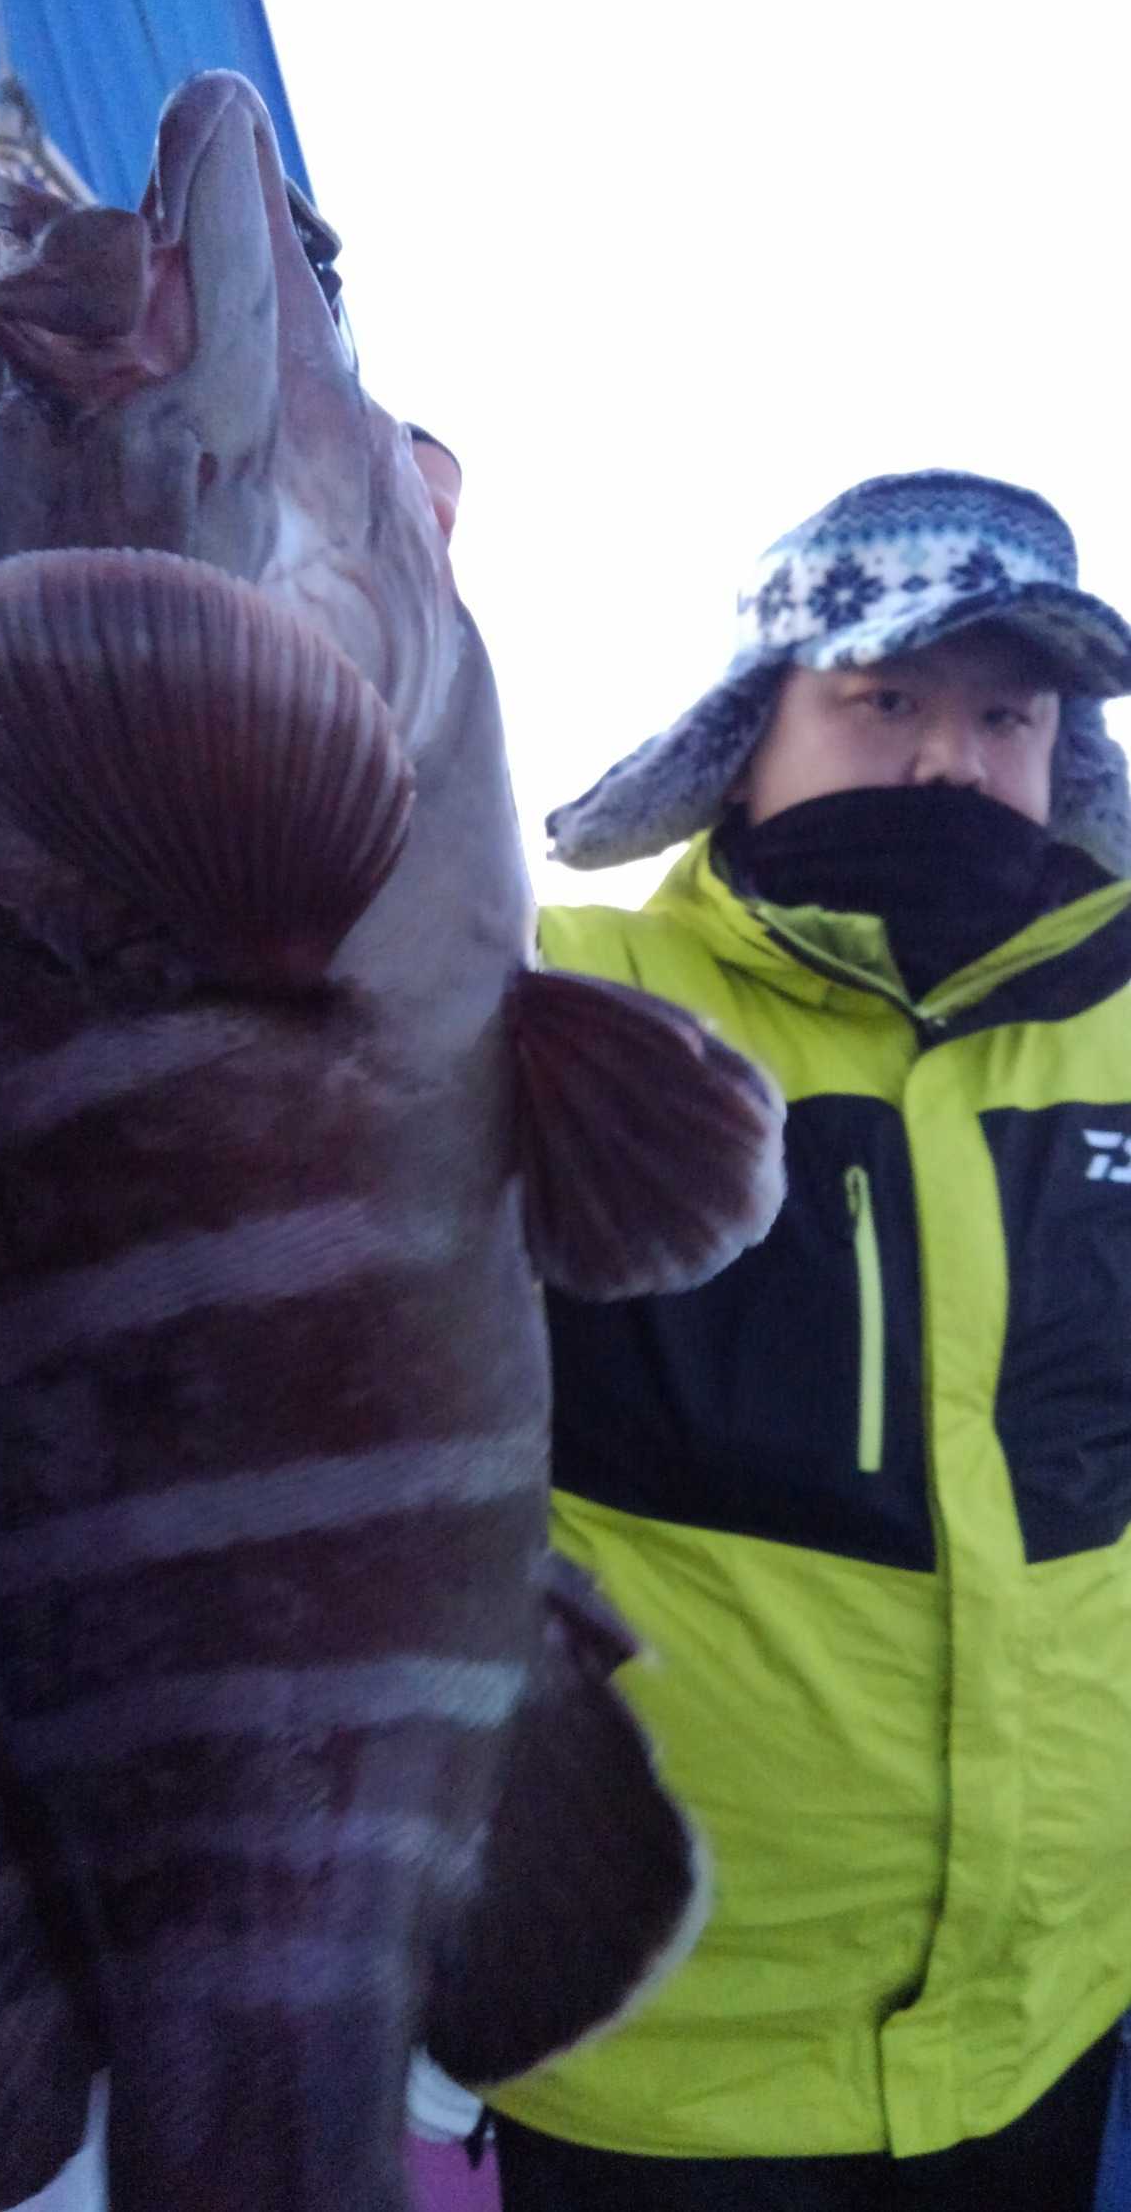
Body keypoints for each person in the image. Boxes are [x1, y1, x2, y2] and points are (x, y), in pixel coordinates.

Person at [478, 470, 1131, 2210]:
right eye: (885, 700)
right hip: (660, 2054)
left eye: (1008, 717)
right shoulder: (563, 999)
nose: (951, 761)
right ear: (744, 734)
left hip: (1049, 2015)